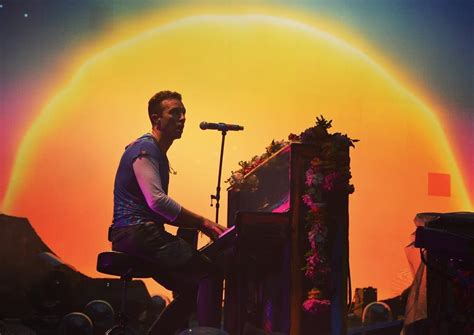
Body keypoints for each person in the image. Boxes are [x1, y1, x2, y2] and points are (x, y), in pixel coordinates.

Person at [109, 90, 227, 334]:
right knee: (209, 275)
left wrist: (190, 228)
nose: (182, 118)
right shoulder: (146, 149)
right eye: (174, 112)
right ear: (156, 119)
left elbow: (157, 208)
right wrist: (203, 223)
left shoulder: (154, 151)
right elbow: (157, 202)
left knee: (190, 287)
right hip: (137, 231)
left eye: (183, 113)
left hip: (137, 233)